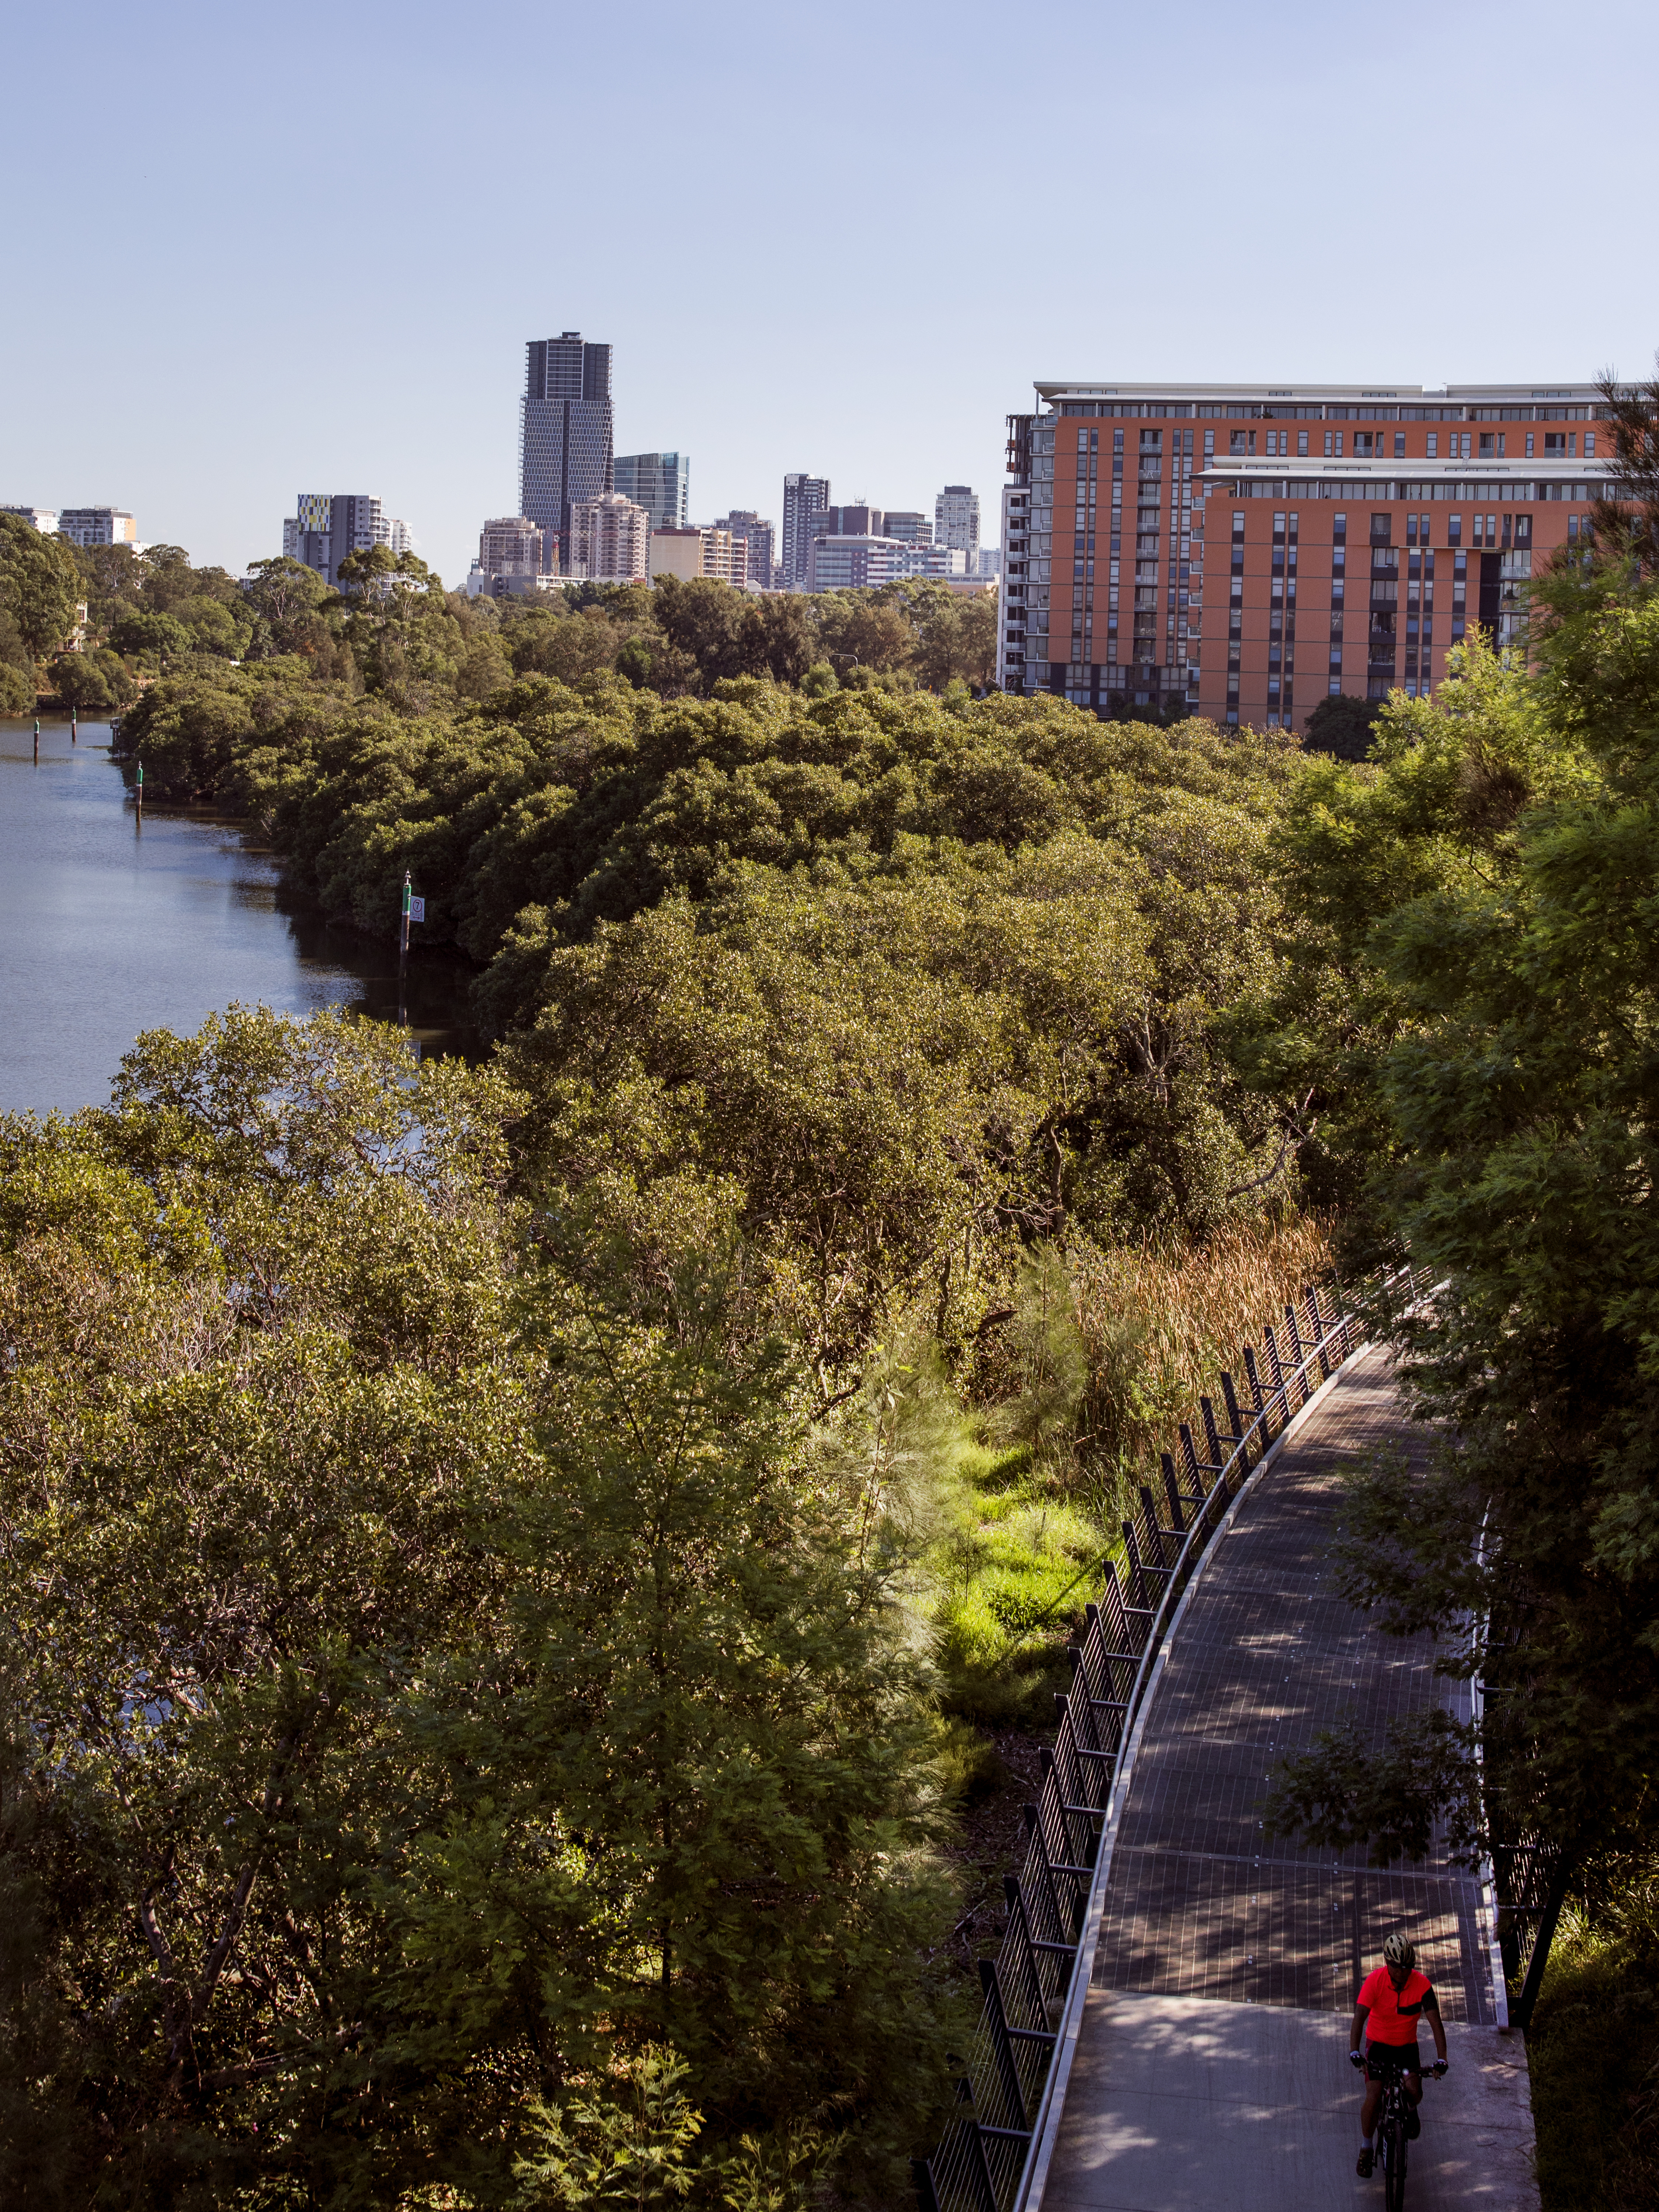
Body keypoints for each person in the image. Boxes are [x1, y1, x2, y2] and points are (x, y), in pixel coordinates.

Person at [1349, 1932, 1448, 2177]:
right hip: (1379, 2045)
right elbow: (1360, 2018)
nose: (1404, 1972)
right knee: (1373, 2096)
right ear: (1388, 1964)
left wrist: (1442, 2058)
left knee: (1415, 2091)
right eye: (1399, 1968)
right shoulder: (1375, 1982)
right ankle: (1366, 2148)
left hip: (1406, 2048)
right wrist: (1355, 2051)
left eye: (1409, 1967)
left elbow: (1436, 2024)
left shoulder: (1422, 1985)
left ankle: (1410, 2111)